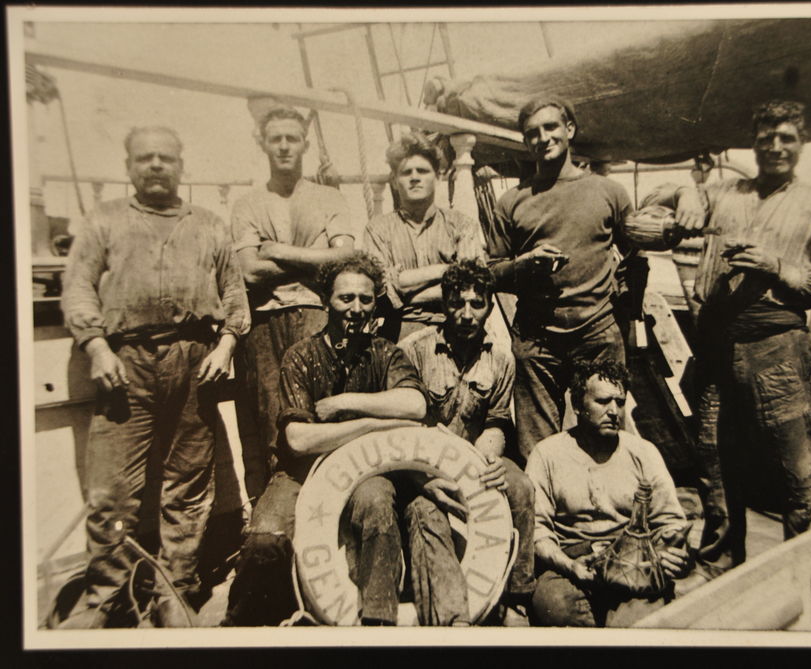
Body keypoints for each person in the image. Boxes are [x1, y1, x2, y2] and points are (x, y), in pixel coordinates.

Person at [635, 100, 811, 581]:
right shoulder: (725, 192)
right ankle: (717, 564)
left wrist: (780, 269)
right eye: (766, 138)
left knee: (797, 472)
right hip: (715, 348)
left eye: (786, 138)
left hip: (776, 347)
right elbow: (645, 209)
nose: (775, 147)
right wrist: (681, 192)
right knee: (713, 462)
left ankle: (808, 571)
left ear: (802, 143)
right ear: (753, 143)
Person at [224, 251, 496, 626]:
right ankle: (238, 631)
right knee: (265, 542)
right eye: (345, 298)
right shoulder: (300, 357)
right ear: (325, 302)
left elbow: (415, 404)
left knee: (377, 501)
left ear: (375, 305)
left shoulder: (385, 353)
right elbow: (299, 440)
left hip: (366, 474)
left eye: (365, 299)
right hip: (301, 473)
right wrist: (372, 425)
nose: (355, 308)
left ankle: (375, 626)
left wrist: (344, 406)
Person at [59, 126, 251, 628]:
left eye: (166, 157)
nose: (156, 165)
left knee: (187, 485)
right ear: (128, 167)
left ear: (181, 165)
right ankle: (106, 594)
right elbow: (77, 288)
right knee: (112, 490)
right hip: (125, 365)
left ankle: (176, 589)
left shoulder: (209, 225)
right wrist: (96, 346)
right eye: (145, 158)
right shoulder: (103, 221)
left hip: (194, 363)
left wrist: (227, 343)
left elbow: (235, 297)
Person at [484, 98, 635, 461]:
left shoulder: (609, 192)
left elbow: (636, 254)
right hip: (537, 339)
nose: (543, 138)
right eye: (532, 133)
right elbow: (491, 271)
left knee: (606, 433)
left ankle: (608, 515)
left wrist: (627, 307)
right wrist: (525, 265)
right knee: (537, 447)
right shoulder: (511, 202)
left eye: (551, 127)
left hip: (598, 331)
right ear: (525, 141)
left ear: (569, 130)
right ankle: (544, 517)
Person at [230, 106, 356, 499]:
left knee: (323, 411)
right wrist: (312, 256)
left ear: (305, 143)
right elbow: (250, 272)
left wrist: (281, 250)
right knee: (273, 423)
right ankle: (281, 521)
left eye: (292, 138)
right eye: (276, 139)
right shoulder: (248, 204)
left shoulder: (328, 197)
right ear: (262, 143)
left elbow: (344, 257)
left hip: (317, 318)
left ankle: (331, 507)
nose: (284, 146)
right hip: (265, 325)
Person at [398, 259, 535, 615]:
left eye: (477, 304)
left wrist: (488, 458)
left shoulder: (502, 359)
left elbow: (498, 420)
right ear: (444, 305)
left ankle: (516, 596)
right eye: (457, 303)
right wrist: (422, 473)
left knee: (519, 487)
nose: (466, 314)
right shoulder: (414, 349)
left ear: (490, 305)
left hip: (476, 453)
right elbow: (401, 426)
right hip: (422, 462)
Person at [526, 361, 689, 627]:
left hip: (632, 560)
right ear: (578, 406)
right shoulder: (547, 454)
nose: (614, 411)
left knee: (637, 622)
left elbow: (670, 521)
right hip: (571, 561)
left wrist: (670, 550)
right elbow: (537, 531)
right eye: (603, 401)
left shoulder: (643, 452)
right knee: (555, 607)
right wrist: (571, 567)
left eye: (620, 402)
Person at [363, 132, 485, 342]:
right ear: (393, 180)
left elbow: (471, 286)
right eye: (406, 172)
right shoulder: (377, 230)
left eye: (423, 171)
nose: (415, 177)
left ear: (437, 176)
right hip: (398, 333)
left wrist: (401, 287)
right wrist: (445, 270)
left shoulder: (462, 226)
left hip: (453, 331)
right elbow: (378, 292)